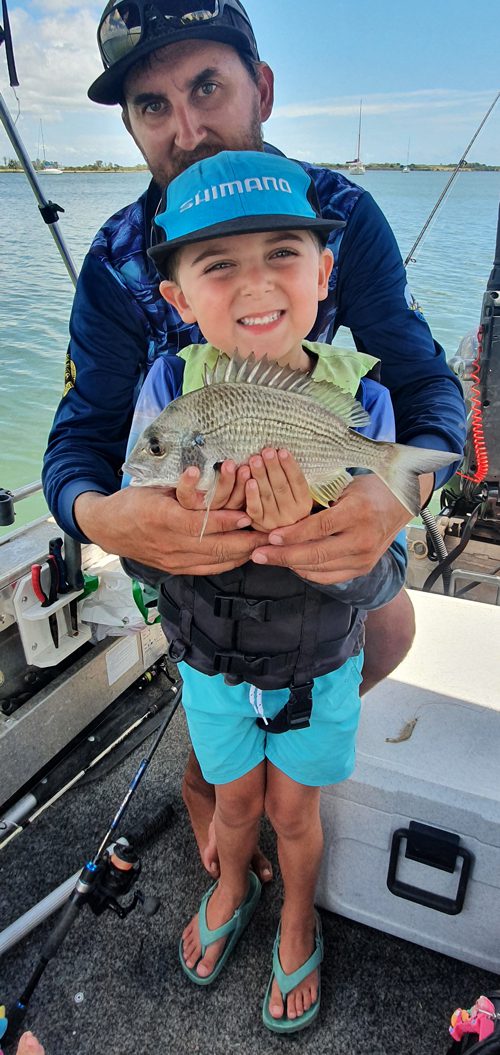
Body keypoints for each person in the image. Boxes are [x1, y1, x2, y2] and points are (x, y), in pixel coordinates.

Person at [42, 0, 466, 882]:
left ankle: (284, 771)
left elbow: (428, 388)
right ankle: (220, 784)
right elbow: (78, 437)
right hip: (193, 545)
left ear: (262, 88)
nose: (187, 128)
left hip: (317, 514)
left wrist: (398, 492)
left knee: (388, 632)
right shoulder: (119, 259)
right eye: (153, 106)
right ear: (129, 125)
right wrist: (103, 520)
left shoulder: (340, 212)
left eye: (207, 86)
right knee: (215, 693)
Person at [122, 147, 410, 1032]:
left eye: (283, 254)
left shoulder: (367, 403)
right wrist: (172, 520)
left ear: (326, 272)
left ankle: (295, 913)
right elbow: (139, 520)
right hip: (213, 663)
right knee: (234, 794)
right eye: (217, 264)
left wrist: (321, 543)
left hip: (317, 662)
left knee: (294, 806)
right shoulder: (170, 392)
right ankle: (235, 880)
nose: (254, 284)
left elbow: (379, 574)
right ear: (176, 297)